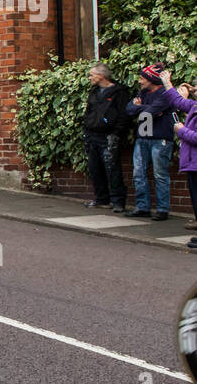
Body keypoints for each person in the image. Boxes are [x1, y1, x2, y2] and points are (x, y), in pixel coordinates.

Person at [124, 64, 174, 220]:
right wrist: (146, 109)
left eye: (142, 78)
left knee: (160, 175)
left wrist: (142, 108)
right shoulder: (143, 92)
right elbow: (129, 110)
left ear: (152, 79)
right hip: (142, 138)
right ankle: (142, 207)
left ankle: (162, 210)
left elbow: (151, 111)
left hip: (160, 138)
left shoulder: (165, 93)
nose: (139, 81)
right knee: (138, 173)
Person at [81, 62, 130, 212]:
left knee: (112, 169)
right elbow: (89, 111)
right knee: (94, 168)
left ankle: (118, 202)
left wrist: (116, 133)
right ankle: (102, 199)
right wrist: (87, 128)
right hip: (92, 135)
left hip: (108, 135)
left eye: (92, 75)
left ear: (101, 75)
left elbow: (123, 115)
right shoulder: (94, 92)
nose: (89, 78)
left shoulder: (118, 93)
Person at [160, 71, 197, 249]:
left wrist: (181, 130)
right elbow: (179, 102)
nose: (194, 91)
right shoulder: (195, 106)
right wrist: (167, 83)